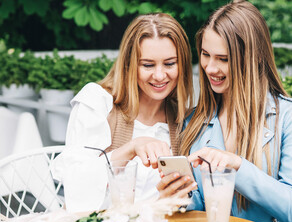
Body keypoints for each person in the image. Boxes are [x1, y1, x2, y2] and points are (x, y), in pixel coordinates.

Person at [164, 0, 292, 222]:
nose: (210, 67)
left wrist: (237, 165)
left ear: (253, 58)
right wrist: (179, 196)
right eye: (206, 55)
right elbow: (200, 206)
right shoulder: (195, 121)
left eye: (223, 58)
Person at [51, 13, 197, 211]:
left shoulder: (184, 120)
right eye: (148, 65)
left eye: (170, 63)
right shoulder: (98, 102)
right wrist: (131, 148)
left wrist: (165, 201)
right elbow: (76, 186)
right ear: (129, 65)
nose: (160, 75)